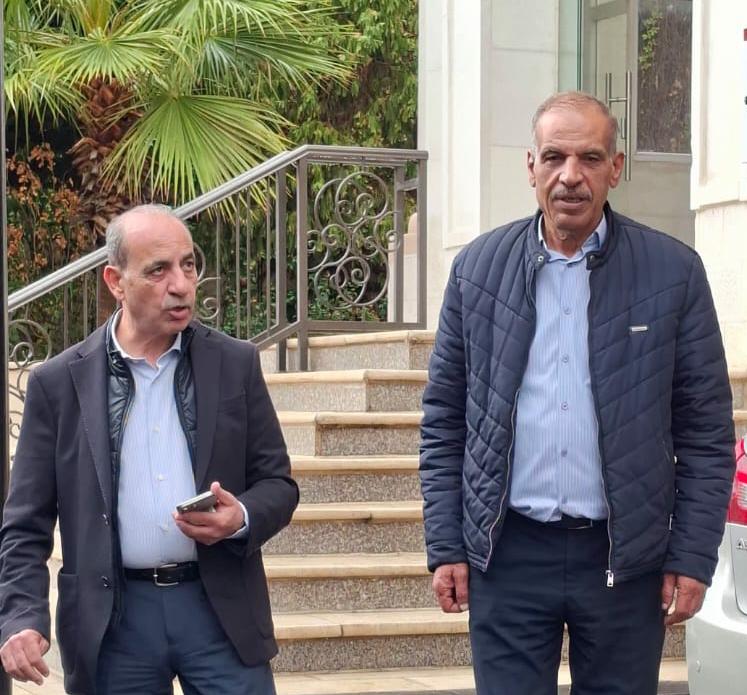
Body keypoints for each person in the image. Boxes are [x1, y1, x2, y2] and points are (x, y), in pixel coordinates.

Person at [419, 92, 736, 695]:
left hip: (625, 559)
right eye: (554, 157)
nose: (571, 175)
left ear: (615, 168)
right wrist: (446, 544)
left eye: (589, 158)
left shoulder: (674, 272)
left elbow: (706, 433)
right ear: (531, 166)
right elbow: (444, 421)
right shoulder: (477, 271)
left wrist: (692, 556)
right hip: (508, 556)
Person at [0, 204, 298, 694]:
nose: (180, 285)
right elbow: (25, 522)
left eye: (188, 265)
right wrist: (21, 615)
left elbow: (278, 485)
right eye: (158, 270)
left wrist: (240, 516)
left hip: (220, 612)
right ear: (115, 281)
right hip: (113, 623)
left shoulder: (235, 363)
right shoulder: (58, 384)